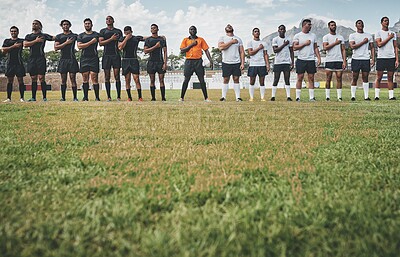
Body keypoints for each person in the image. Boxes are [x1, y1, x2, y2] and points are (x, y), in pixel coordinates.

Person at [179, 25, 213, 102]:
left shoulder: (201, 39)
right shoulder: (185, 40)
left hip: (198, 61)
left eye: (194, 29)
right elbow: (182, 50)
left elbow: (206, 50)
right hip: (189, 61)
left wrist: (210, 60)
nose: (192, 31)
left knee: (201, 79)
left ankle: (206, 98)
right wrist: (191, 45)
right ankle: (181, 97)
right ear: (189, 31)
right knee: (186, 80)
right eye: (191, 29)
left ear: (196, 31)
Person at [23, 20, 55, 102]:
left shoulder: (43, 36)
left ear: (40, 26)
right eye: (33, 23)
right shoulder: (29, 36)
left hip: (41, 58)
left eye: (36, 24)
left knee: (41, 78)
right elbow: (25, 44)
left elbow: (55, 38)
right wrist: (35, 41)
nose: (34, 25)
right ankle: (33, 97)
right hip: (32, 59)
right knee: (33, 78)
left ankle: (44, 97)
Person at [293, 19, 321, 101]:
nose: (310, 26)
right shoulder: (297, 36)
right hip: (301, 59)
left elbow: (315, 47)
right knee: (300, 77)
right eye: (309, 24)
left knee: (311, 78)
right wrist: (304, 44)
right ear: (304, 25)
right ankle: (298, 97)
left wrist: (319, 57)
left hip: (311, 59)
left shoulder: (313, 36)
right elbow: (294, 47)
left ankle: (312, 97)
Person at [349, 19, 374, 101]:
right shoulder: (352, 35)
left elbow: (372, 47)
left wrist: (373, 59)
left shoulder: (369, 35)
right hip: (356, 58)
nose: (361, 24)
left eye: (362, 23)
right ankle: (353, 96)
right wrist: (363, 42)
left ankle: (366, 96)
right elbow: (352, 46)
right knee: (355, 77)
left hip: (366, 59)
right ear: (356, 25)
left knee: (365, 77)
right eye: (359, 23)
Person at [118, 26, 145, 101]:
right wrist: (126, 38)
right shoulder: (122, 39)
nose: (127, 34)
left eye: (129, 33)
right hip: (125, 60)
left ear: (131, 32)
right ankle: (129, 97)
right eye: (126, 33)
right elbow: (120, 47)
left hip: (134, 60)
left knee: (136, 79)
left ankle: (140, 97)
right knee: (127, 79)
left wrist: (159, 37)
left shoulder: (136, 38)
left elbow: (146, 38)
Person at [218, 24, 245, 102]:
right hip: (226, 62)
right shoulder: (222, 38)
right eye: (227, 26)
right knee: (226, 79)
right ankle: (223, 97)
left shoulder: (238, 39)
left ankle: (238, 97)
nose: (229, 26)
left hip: (236, 62)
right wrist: (231, 42)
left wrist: (242, 63)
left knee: (236, 79)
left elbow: (242, 52)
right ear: (225, 29)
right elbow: (221, 47)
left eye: (230, 26)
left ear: (233, 29)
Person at [99, 16, 123, 101]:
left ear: (113, 20)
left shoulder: (118, 31)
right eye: (107, 19)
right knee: (107, 77)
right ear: (105, 21)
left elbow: (120, 44)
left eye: (110, 19)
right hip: (106, 56)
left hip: (116, 55)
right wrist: (111, 39)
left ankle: (118, 96)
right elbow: (101, 43)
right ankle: (108, 97)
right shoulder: (102, 31)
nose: (108, 20)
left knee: (117, 76)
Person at [54, 19, 79, 101]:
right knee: (63, 80)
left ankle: (75, 97)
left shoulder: (74, 35)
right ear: (61, 26)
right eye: (64, 24)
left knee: (73, 79)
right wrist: (66, 43)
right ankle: (63, 97)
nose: (65, 26)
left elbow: (81, 40)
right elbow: (56, 48)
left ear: (70, 25)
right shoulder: (59, 36)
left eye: (67, 24)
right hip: (63, 60)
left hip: (72, 59)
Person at [374, 16, 399, 100]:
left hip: (391, 57)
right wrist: (389, 37)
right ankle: (376, 96)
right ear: (381, 23)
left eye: (387, 21)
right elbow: (379, 44)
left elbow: (395, 47)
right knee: (379, 77)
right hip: (381, 58)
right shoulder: (378, 33)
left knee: (390, 77)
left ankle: (391, 96)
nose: (386, 22)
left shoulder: (393, 33)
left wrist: (397, 59)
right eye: (385, 21)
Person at [77, 18, 101, 101]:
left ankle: (97, 97)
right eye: (86, 24)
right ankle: (85, 97)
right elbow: (79, 46)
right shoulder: (81, 35)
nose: (87, 25)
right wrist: (91, 42)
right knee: (85, 78)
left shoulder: (96, 34)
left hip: (94, 58)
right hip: (84, 58)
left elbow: (102, 42)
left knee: (94, 77)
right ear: (84, 25)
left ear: (92, 25)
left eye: (89, 23)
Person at [322, 21, 347, 101]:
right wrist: (335, 43)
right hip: (329, 60)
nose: (334, 26)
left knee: (339, 78)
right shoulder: (326, 37)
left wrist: (344, 61)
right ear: (329, 27)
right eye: (332, 25)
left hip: (339, 60)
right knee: (328, 78)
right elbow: (325, 48)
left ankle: (339, 97)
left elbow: (343, 50)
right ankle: (327, 97)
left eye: (335, 25)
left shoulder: (340, 37)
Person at [144, 24, 167, 101]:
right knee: (152, 80)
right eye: (152, 28)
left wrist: (165, 63)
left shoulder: (162, 39)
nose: (153, 29)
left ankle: (163, 97)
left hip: (160, 62)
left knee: (161, 80)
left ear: (157, 29)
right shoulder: (148, 40)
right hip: (151, 62)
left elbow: (165, 51)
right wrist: (155, 47)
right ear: (150, 30)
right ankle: (153, 98)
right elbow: (145, 51)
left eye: (155, 28)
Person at [2, 26, 26, 102]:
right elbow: (3, 49)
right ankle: (8, 98)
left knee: (20, 80)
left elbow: (27, 44)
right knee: (10, 81)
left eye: (15, 31)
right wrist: (14, 46)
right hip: (10, 63)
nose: (13, 33)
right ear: (10, 32)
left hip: (19, 63)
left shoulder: (21, 40)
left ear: (18, 32)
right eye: (12, 31)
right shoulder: (7, 41)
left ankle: (22, 98)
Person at [271, 25, 294, 101]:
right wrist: (284, 44)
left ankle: (288, 96)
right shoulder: (275, 39)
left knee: (287, 79)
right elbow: (275, 50)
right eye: (280, 29)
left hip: (286, 62)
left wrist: (292, 62)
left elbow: (291, 51)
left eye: (283, 29)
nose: (282, 31)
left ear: (285, 30)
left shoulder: (289, 39)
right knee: (276, 79)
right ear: (278, 30)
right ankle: (273, 96)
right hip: (278, 62)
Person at [246, 28, 270, 101]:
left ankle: (262, 97)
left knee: (262, 81)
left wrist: (267, 64)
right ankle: (251, 97)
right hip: (253, 64)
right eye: (255, 31)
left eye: (258, 31)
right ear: (253, 33)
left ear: (259, 33)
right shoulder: (250, 42)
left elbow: (265, 54)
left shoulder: (264, 43)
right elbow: (250, 53)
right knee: (252, 81)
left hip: (262, 64)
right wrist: (259, 48)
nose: (257, 33)